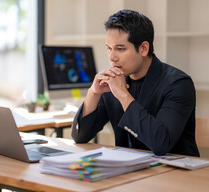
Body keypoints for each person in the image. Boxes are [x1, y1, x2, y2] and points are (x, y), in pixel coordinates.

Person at [71, 9, 199, 157]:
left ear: (144, 48)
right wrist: (93, 93)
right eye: (109, 48)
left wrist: (124, 96)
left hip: (174, 173)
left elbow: (160, 144)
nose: (112, 57)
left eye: (120, 49)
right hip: (130, 169)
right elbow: (80, 137)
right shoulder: (114, 81)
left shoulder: (178, 84)